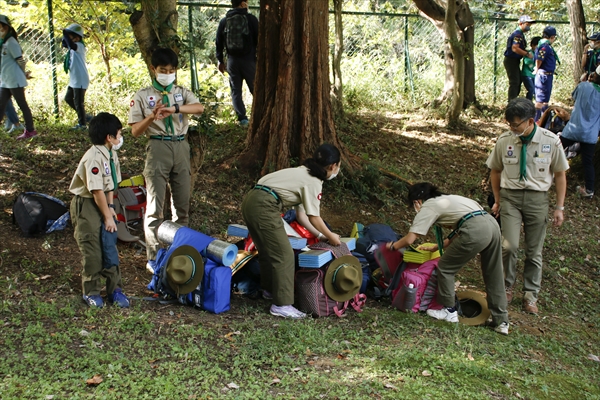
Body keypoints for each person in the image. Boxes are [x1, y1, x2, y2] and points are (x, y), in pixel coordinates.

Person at [387, 183, 509, 335]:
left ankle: (449, 310)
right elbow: (462, 226)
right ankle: (501, 321)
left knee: (445, 268)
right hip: (492, 226)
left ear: (417, 201)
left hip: (476, 230)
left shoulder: (429, 206)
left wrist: (393, 246)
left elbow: (410, 239)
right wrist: (436, 247)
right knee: (494, 273)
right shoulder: (450, 199)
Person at [241, 143, 342, 319]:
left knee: (267, 249)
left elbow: (301, 216)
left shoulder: (304, 172)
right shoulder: (313, 182)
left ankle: (270, 290)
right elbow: (314, 217)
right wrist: (331, 236)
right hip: (265, 205)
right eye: (338, 166)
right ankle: (282, 305)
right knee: (284, 253)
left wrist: (319, 235)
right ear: (333, 166)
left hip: (252, 200)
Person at [486, 98, 569, 314]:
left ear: (530, 121)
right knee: (509, 246)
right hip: (510, 198)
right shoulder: (505, 140)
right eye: (510, 125)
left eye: (516, 125)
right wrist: (497, 199)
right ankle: (506, 286)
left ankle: (530, 295)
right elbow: (495, 170)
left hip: (537, 199)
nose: (512, 129)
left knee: (534, 251)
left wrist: (559, 207)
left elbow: (560, 175)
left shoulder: (550, 141)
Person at [128, 48, 205, 273]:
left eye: (172, 70)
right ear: (153, 69)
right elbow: (134, 131)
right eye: (163, 70)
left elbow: (199, 108)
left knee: (182, 204)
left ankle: (180, 253)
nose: (168, 74)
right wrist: (151, 116)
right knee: (155, 206)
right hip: (158, 146)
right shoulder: (143, 96)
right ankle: (154, 257)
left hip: (181, 145)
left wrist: (174, 109)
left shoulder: (181, 92)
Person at [69, 112, 130, 308]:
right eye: (119, 134)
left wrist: (111, 208)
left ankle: (115, 290)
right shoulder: (93, 157)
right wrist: (107, 216)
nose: (120, 138)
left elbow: (110, 184)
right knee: (92, 249)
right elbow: (96, 191)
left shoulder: (111, 154)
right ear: (109, 137)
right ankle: (92, 291)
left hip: (105, 202)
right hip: (88, 205)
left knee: (109, 245)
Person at [558, 67, 600, 199]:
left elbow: (573, 95)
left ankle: (542, 173)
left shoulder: (583, 86)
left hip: (573, 130)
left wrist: (583, 80)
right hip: (591, 134)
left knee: (555, 148)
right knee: (587, 162)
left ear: (594, 76)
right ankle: (589, 190)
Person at [215, 0, 258, 126]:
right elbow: (259, 38)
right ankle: (258, 116)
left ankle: (242, 119)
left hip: (232, 61)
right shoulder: (251, 19)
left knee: (235, 90)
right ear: (243, 3)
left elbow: (219, 42)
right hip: (249, 60)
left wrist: (220, 60)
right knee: (255, 88)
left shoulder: (224, 21)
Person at [0, 15, 36, 140]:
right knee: (1, 105)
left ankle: (30, 130)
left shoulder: (11, 42)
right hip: (5, 81)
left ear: (6, 27)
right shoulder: (3, 43)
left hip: (15, 80)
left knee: (22, 105)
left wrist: (24, 73)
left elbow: (20, 60)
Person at [62, 23, 90, 129]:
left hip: (80, 79)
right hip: (74, 80)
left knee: (79, 103)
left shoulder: (80, 46)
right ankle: (85, 116)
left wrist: (65, 33)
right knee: (68, 98)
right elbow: (65, 43)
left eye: (70, 36)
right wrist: (66, 35)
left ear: (77, 37)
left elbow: (71, 44)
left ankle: (82, 124)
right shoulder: (72, 48)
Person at [504, 15, 536, 102]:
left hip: (515, 61)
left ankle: (514, 101)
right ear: (521, 24)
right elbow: (515, 48)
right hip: (511, 60)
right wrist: (527, 54)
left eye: (530, 24)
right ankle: (512, 103)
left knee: (518, 80)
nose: (529, 26)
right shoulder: (517, 35)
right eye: (527, 24)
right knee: (515, 82)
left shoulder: (520, 34)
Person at [534, 26, 559, 122]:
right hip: (543, 76)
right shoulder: (544, 46)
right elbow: (539, 59)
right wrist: (537, 68)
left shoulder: (546, 45)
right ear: (552, 36)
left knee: (545, 101)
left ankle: (543, 120)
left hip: (547, 76)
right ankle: (537, 120)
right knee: (540, 101)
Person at [521, 36, 541, 101]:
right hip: (527, 75)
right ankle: (528, 103)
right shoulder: (529, 53)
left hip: (534, 75)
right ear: (532, 45)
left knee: (536, 90)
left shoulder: (539, 54)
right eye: (537, 46)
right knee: (531, 89)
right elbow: (527, 62)